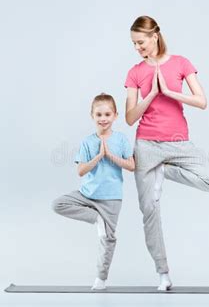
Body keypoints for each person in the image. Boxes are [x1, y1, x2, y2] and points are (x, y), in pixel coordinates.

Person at [124, 16, 209, 290]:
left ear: (155, 36)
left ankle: (165, 171)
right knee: (149, 211)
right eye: (134, 44)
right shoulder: (135, 71)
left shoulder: (181, 63)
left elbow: (202, 102)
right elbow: (130, 118)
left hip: (178, 142)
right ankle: (163, 273)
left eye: (141, 42)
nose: (137, 48)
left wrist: (169, 92)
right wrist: (151, 95)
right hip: (146, 144)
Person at [52, 93, 135, 290]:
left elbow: (131, 166)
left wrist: (110, 155)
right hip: (87, 195)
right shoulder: (88, 142)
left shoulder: (121, 139)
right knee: (58, 204)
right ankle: (96, 218)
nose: (103, 118)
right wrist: (98, 156)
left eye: (107, 114)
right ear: (92, 116)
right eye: (99, 115)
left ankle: (101, 280)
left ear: (115, 115)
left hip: (111, 198)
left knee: (108, 239)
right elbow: (80, 171)